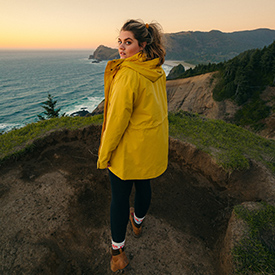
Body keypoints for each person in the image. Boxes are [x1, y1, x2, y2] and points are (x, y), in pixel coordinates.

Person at [97, 19, 168, 272]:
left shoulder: (127, 75)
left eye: (128, 42)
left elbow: (116, 122)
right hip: (149, 147)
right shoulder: (157, 69)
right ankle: (137, 223)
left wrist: (104, 155)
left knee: (119, 200)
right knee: (144, 186)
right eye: (120, 41)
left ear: (142, 44)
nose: (121, 47)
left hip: (127, 152)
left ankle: (118, 255)